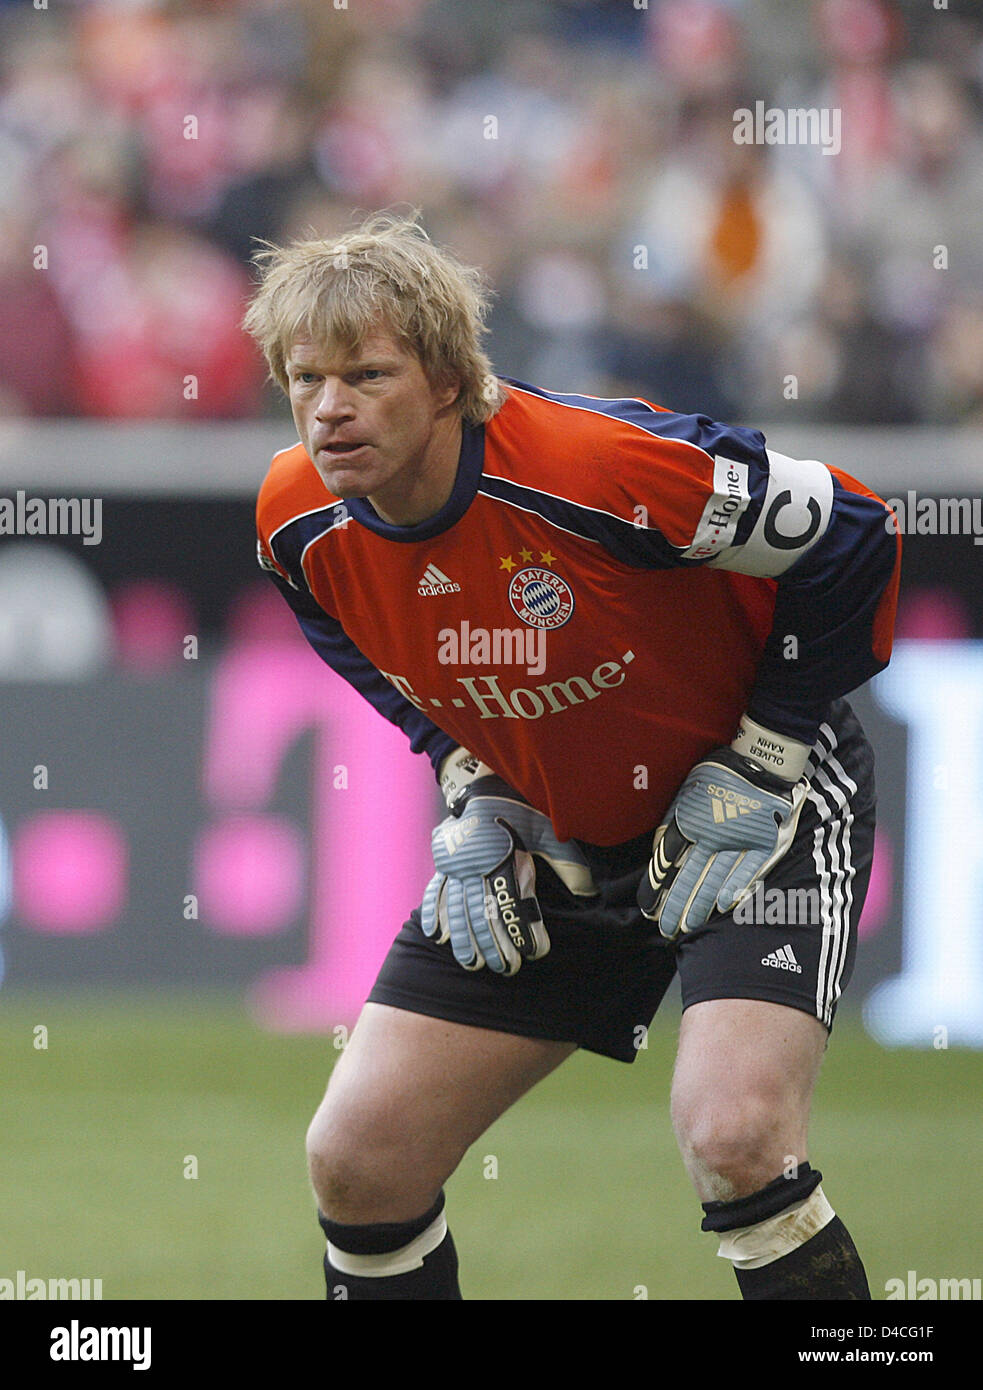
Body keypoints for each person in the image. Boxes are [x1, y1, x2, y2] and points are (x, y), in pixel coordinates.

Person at [244, 212, 900, 1301]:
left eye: (366, 373)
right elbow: (371, 652)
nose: (329, 407)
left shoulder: (597, 468)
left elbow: (855, 531)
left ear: (450, 379)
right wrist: (471, 778)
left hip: (758, 804)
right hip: (558, 823)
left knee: (736, 1137)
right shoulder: (295, 522)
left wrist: (764, 747)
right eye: (305, 377)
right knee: (359, 1159)